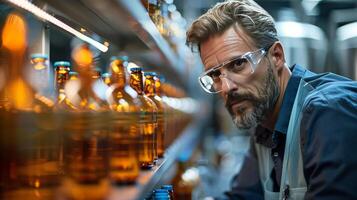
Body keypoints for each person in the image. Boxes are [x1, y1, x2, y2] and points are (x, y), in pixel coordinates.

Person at [186, 0, 357, 199]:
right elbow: (244, 196)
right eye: (215, 75)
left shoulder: (328, 111)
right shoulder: (264, 123)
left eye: (239, 64)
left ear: (276, 56)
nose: (226, 87)